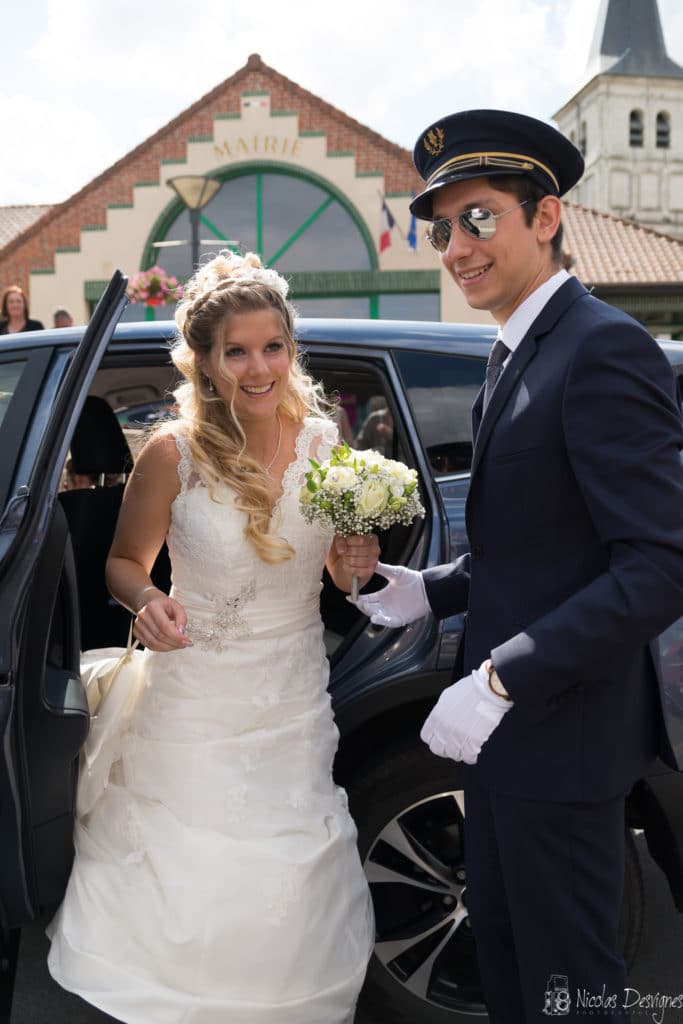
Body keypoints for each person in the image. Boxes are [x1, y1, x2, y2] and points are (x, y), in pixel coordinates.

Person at [353, 110, 683, 1022]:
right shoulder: (515, 350)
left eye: (480, 218)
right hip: (504, 738)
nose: (456, 246)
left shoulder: (601, 345)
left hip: (561, 735)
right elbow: (541, 546)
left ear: (545, 218)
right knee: (505, 965)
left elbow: (657, 565)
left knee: (567, 990)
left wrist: (501, 679)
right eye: (441, 227)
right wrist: (432, 587)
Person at [47, 251, 377, 1023]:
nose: (258, 367)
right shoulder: (173, 452)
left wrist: (352, 561)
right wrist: (147, 601)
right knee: (194, 864)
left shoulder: (324, 442)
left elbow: (336, 572)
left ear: (291, 349)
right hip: (195, 690)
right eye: (236, 350)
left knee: (289, 864)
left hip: (292, 687)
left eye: (273, 346)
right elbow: (123, 563)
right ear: (202, 359)